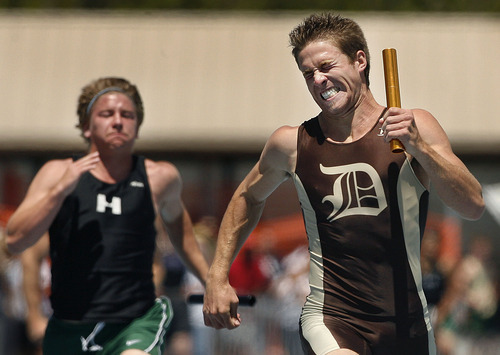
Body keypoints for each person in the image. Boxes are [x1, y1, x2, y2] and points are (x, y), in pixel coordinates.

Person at [202, 13, 485, 355]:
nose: (318, 80)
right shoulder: (291, 144)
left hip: (408, 323)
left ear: (360, 60)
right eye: (308, 74)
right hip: (332, 318)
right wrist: (218, 275)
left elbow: (472, 205)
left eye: (326, 66)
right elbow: (246, 198)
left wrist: (421, 149)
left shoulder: (414, 127)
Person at [3, 77, 210, 355]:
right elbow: (15, 241)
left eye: (127, 115)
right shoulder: (56, 173)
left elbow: (181, 232)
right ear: (87, 126)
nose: (117, 121)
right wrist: (59, 191)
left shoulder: (160, 177)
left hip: (135, 322)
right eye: (106, 114)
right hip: (70, 326)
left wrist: (213, 282)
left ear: (137, 127)